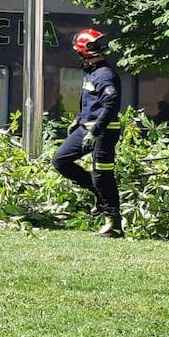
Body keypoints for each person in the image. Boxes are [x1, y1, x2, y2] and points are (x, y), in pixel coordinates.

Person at [51, 28, 123, 238]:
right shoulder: (92, 73)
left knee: (103, 175)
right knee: (60, 161)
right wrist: (78, 120)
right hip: (86, 127)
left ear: (84, 52)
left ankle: (114, 225)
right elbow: (92, 103)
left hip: (104, 131)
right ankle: (99, 196)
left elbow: (111, 106)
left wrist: (95, 131)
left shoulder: (105, 75)